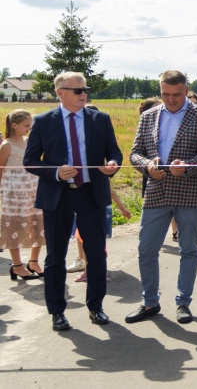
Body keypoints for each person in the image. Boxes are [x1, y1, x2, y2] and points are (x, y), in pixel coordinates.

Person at [24, 72, 122, 331]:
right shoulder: (43, 121)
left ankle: (96, 307)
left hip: (91, 193)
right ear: (60, 92)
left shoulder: (99, 119)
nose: (83, 94)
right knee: (55, 256)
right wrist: (55, 171)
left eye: (85, 90)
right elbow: (30, 160)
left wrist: (113, 164)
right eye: (77, 90)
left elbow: (113, 151)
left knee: (96, 254)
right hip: (58, 195)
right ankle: (57, 311)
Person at [126, 70, 197, 324]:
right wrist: (147, 166)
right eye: (165, 94)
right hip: (156, 189)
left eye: (176, 94)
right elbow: (135, 153)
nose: (171, 99)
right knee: (146, 249)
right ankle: (150, 302)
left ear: (186, 91)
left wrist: (186, 166)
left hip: (189, 191)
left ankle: (183, 303)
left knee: (188, 249)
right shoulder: (148, 116)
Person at [0, 110, 44, 280]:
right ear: (14, 125)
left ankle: (34, 261)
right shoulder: (6, 145)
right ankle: (17, 265)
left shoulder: (30, 142)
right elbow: (0, 169)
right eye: (26, 125)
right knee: (14, 227)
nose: (29, 128)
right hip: (13, 194)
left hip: (33, 189)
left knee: (38, 224)